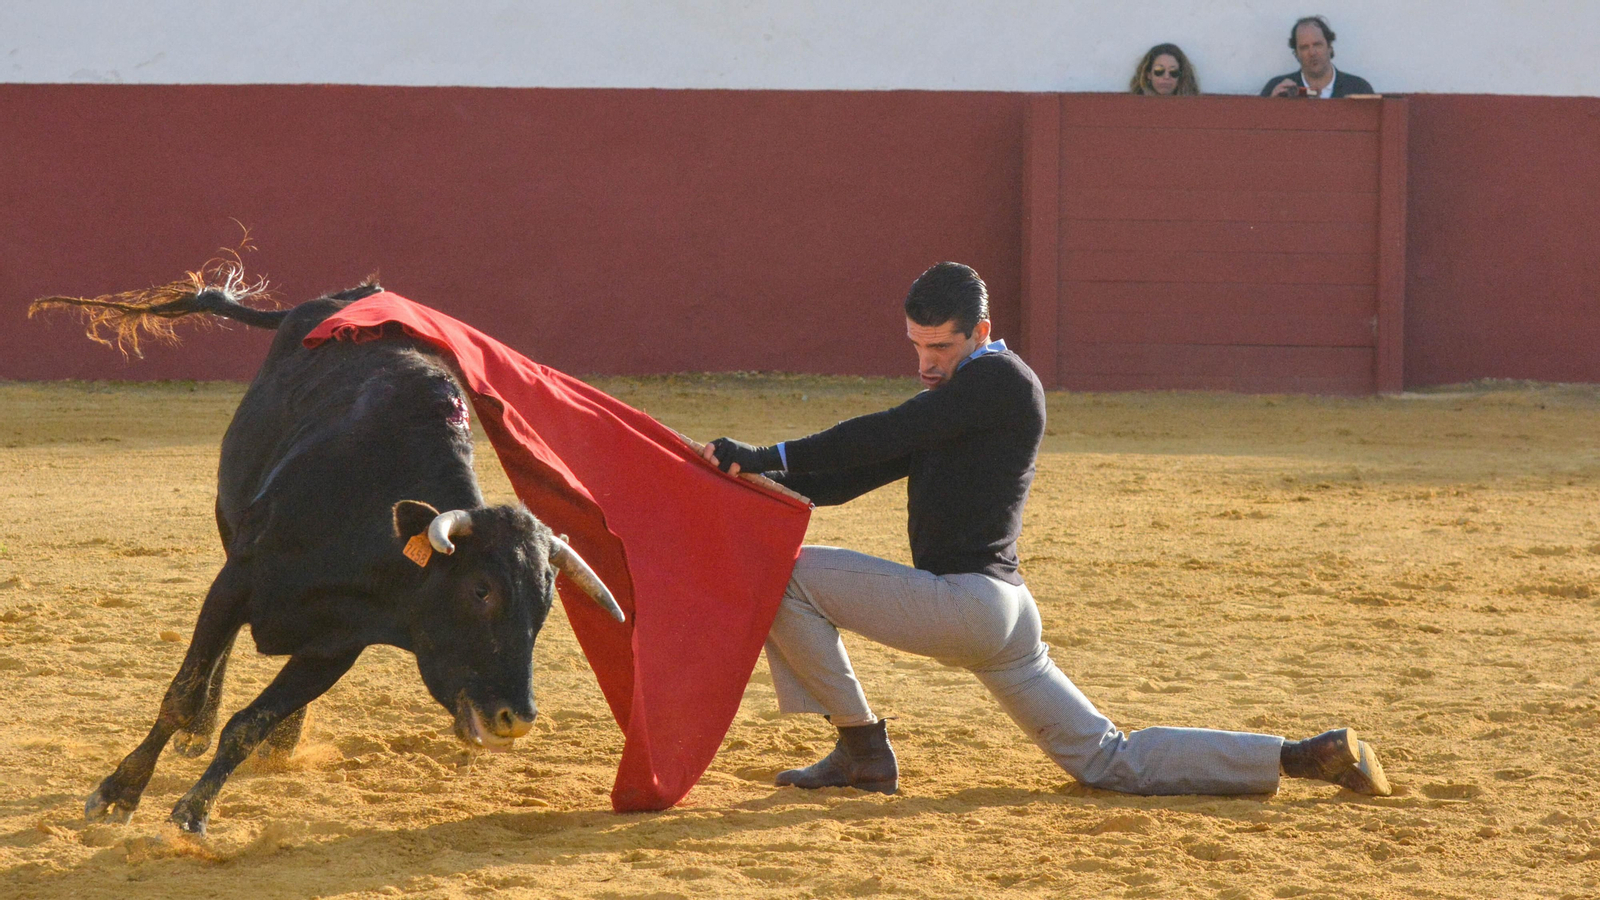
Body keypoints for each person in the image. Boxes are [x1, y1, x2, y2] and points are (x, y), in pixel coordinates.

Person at [702, 262, 1391, 799]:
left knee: (785, 574)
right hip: (1002, 617)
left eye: (939, 346)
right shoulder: (959, 398)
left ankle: (860, 746)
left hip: (969, 605)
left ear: (980, 329)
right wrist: (748, 480)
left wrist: (772, 456)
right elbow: (852, 475)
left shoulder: (1001, 381)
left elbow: (888, 430)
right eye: (915, 345)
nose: (924, 363)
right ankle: (1300, 755)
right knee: (1106, 762)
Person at [1261, 15, 1374, 98]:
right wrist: (1272, 105)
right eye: (1304, 47)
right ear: (1296, 53)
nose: (1312, 52)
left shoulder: (1359, 88)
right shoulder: (1278, 88)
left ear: (1329, 46)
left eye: (1317, 45)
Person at [1130, 43, 1200, 96]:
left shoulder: (1194, 107)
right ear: (1148, 74)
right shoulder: (1132, 105)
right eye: (1159, 71)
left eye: (1173, 72)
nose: (1166, 77)